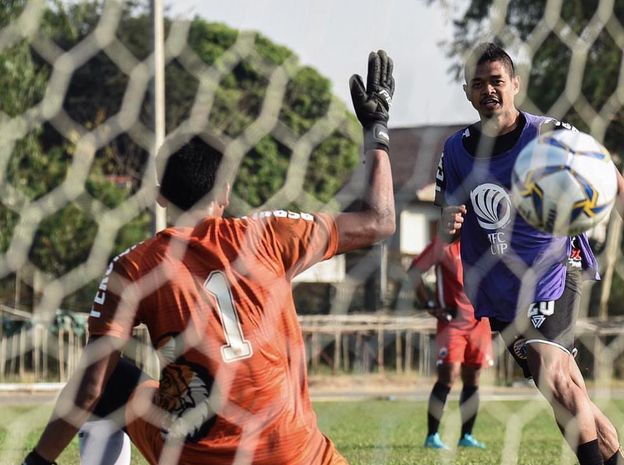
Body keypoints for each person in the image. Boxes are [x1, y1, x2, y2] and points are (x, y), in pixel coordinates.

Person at [22, 50, 396, 465]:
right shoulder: (269, 235)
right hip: (296, 455)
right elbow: (379, 221)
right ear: (226, 192)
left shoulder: (134, 267)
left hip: (199, 455)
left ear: (159, 193)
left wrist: (36, 461)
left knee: (111, 380)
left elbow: (89, 389)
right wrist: (376, 131)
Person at [436, 43, 624, 465]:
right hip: (500, 291)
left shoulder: (548, 134)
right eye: (479, 84)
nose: (489, 91)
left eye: (497, 81)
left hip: (553, 270)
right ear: (467, 92)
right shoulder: (455, 150)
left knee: (555, 379)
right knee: (568, 398)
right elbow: (449, 210)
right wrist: (449, 224)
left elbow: (606, 170)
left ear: (515, 84)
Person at [407, 236, 492, 450]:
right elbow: (414, 272)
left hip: (480, 321)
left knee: (473, 377)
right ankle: (432, 436)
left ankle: (467, 436)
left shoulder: (484, 242)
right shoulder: (442, 246)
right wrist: (430, 304)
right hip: (452, 322)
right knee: (449, 375)